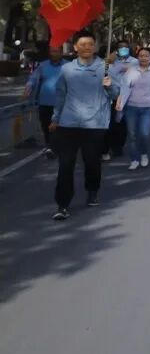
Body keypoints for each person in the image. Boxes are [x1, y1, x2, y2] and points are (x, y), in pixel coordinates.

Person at [50, 31, 119, 219]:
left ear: (95, 46)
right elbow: (60, 95)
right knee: (65, 165)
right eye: (82, 44)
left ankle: (92, 190)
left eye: (90, 44)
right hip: (68, 123)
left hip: (95, 124)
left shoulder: (105, 67)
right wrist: (56, 118)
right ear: (75, 47)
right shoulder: (67, 69)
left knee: (92, 162)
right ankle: (62, 205)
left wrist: (110, 85)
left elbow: (115, 95)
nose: (86, 47)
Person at [116, 47, 150, 171]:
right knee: (132, 135)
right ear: (137, 57)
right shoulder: (131, 71)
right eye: (141, 56)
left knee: (144, 134)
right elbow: (124, 87)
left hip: (147, 107)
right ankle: (134, 159)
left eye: (146, 56)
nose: (143, 58)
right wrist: (119, 101)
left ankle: (144, 153)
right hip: (131, 107)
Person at [24, 45, 68, 158]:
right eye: (52, 51)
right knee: (46, 125)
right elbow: (34, 77)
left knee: (58, 126)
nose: (54, 54)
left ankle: (54, 147)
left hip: (62, 103)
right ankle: (50, 145)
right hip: (45, 102)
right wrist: (29, 85)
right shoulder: (43, 65)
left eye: (56, 51)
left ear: (61, 52)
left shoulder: (68, 66)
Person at [104, 39, 136, 159]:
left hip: (129, 98)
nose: (123, 49)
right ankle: (112, 145)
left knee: (123, 125)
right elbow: (104, 75)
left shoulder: (135, 62)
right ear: (117, 50)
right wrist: (107, 62)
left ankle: (119, 146)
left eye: (125, 47)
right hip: (113, 97)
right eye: (121, 47)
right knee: (113, 124)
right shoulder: (111, 62)